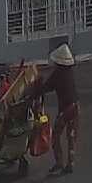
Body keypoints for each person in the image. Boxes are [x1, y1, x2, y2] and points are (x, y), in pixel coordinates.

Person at [34, 43, 79, 175]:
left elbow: (45, 88)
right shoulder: (69, 72)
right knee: (71, 136)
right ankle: (70, 163)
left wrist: (35, 89)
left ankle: (59, 162)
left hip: (65, 109)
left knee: (55, 136)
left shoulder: (58, 74)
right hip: (75, 106)